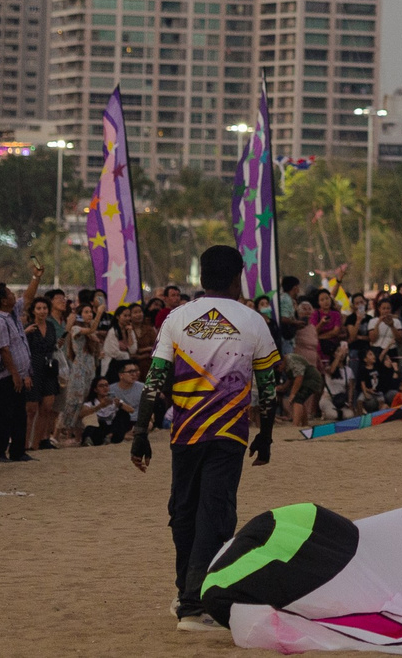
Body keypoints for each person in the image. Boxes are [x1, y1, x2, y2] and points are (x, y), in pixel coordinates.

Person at [133, 246, 282, 634]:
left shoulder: (176, 318)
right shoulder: (253, 322)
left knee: (183, 512)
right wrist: (265, 437)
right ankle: (192, 605)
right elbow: (268, 389)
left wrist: (139, 433)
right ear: (237, 278)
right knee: (214, 514)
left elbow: (155, 379)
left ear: (202, 278)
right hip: (229, 434)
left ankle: (186, 591)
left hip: (184, 435)